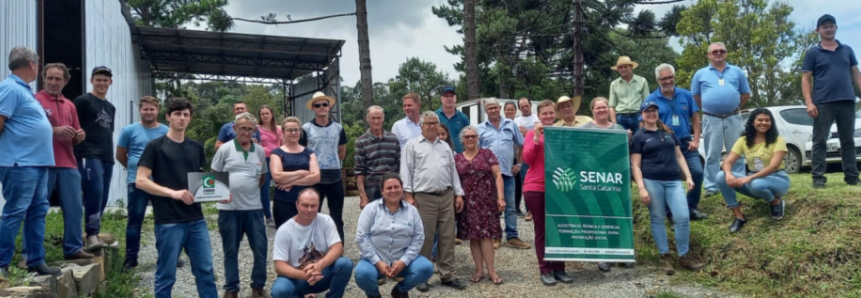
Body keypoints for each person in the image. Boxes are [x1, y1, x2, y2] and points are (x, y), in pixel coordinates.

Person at [135, 97, 221, 298]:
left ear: (189, 119)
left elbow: (197, 179)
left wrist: (219, 194)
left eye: (186, 115)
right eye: (177, 114)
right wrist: (171, 193)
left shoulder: (196, 147)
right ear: (168, 117)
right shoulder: (155, 146)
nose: (182, 118)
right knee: (166, 274)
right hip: (168, 220)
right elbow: (141, 180)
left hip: (196, 220)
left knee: (206, 272)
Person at [0, 46, 61, 277]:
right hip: (19, 164)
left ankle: (36, 260)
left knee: (37, 211)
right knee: (15, 211)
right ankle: (1, 264)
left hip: (37, 163)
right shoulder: (9, 89)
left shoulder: (25, 91)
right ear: (32, 64)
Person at [631, 101, 705, 276]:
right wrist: (641, 188)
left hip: (673, 181)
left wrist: (688, 176)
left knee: (683, 217)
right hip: (651, 180)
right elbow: (635, 165)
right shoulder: (639, 137)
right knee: (657, 218)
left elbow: (679, 156)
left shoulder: (669, 132)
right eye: (647, 111)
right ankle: (664, 256)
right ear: (642, 114)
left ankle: (683, 255)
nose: (651, 114)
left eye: (654, 111)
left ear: (658, 113)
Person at [401, 111, 467, 292]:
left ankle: (448, 275)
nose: (431, 126)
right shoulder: (412, 145)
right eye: (428, 123)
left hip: (446, 196)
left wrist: (458, 194)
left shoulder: (445, 147)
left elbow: (453, 172)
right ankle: (422, 276)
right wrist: (408, 195)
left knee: (447, 237)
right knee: (425, 238)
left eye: (434, 123)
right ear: (421, 126)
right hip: (424, 197)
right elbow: (406, 171)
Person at [34, 63, 91, 261]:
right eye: (49, 78)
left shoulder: (70, 105)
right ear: (43, 79)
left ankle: (73, 248)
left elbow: (75, 134)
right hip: (43, 163)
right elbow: (29, 132)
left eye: (58, 79)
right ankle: (30, 254)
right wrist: (54, 131)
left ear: (65, 81)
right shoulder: (35, 101)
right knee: (38, 209)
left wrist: (79, 136)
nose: (53, 82)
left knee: (74, 208)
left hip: (68, 162)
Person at [211, 112, 269, 298]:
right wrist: (221, 194)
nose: (246, 132)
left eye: (250, 129)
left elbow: (262, 177)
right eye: (242, 128)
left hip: (253, 208)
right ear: (235, 128)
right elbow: (214, 176)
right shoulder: (225, 149)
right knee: (230, 251)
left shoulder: (259, 151)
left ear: (254, 131)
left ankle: (258, 286)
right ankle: (231, 288)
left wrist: (246, 188)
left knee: (260, 248)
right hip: (229, 210)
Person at [802, 14, 861, 188]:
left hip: (847, 101)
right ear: (818, 30)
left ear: (836, 28)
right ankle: (818, 177)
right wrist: (809, 102)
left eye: (831, 26)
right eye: (825, 26)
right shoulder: (813, 53)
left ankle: (851, 176)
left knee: (848, 140)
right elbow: (806, 79)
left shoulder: (847, 50)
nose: (828, 29)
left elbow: (855, 73)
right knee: (820, 140)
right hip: (823, 102)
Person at [354, 174, 433, 298]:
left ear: (402, 189)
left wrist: (404, 261)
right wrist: (378, 262)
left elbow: (419, 237)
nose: (393, 191)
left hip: (402, 261)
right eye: (389, 188)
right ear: (382, 191)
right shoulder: (370, 209)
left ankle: (400, 290)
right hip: (374, 262)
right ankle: (373, 294)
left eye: (396, 187)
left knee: (426, 268)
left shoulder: (412, 211)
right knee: (362, 274)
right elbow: (361, 237)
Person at [645, 64, 705, 222]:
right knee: (666, 177)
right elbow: (643, 123)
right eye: (663, 78)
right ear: (658, 80)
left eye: (670, 77)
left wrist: (697, 140)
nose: (667, 81)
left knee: (697, 172)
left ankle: (691, 207)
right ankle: (670, 213)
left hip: (686, 143)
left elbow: (696, 118)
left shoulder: (686, 94)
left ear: (674, 77)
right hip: (663, 145)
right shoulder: (651, 99)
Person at [523, 100, 574, 286]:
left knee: (559, 228)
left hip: (559, 187)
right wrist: (536, 137)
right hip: (536, 188)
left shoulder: (562, 133)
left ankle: (559, 268)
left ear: (556, 114)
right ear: (539, 115)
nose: (548, 116)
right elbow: (528, 159)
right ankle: (545, 269)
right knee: (543, 230)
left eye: (551, 113)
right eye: (544, 114)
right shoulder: (532, 134)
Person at [692, 42, 751, 199]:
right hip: (711, 118)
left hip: (733, 117)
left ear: (726, 53)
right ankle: (711, 186)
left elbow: (745, 93)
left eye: (721, 51)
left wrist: (733, 106)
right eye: (715, 51)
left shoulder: (737, 71)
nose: (718, 53)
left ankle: (738, 182)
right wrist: (709, 108)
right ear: (709, 55)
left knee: (737, 152)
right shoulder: (700, 74)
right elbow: (696, 96)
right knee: (712, 154)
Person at [715, 108, 789, 233]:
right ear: (752, 122)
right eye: (760, 120)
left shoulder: (778, 140)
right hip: (754, 179)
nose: (764, 123)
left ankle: (775, 202)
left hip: (777, 179)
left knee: (755, 184)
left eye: (767, 120)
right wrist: (728, 174)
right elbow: (727, 162)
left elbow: (773, 166)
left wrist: (749, 178)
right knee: (720, 176)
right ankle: (739, 216)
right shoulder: (743, 141)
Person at [117, 95, 169, 269]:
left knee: (163, 220)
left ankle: (167, 256)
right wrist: (136, 170)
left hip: (160, 183)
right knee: (134, 220)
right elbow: (120, 155)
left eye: (151, 109)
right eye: (145, 109)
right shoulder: (129, 130)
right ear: (140, 110)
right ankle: (131, 258)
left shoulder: (165, 131)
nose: (148, 112)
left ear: (157, 111)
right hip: (137, 182)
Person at [270, 189, 354, 298]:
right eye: (305, 205)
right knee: (280, 290)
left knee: (345, 264)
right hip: (297, 277)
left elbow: (338, 248)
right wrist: (304, 275)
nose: (309, 210)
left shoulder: (326, 220)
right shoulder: (284, 230)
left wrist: (319, 265)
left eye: (313, 206)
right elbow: (279, 266)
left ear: (319, 205)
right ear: (297, 205)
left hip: (321, 274)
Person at [582, 97, 632, 272]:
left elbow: (623, 153)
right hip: (593, 179)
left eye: (604, 107)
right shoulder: (586, 128)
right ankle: (602, 256)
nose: (601, 110)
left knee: (617, 215)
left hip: (615, 179)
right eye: (598, 108)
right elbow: (574, 145)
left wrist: (628, 138)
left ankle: (621, 253)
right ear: (592, 111)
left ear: (609, 110)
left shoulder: (618, 129)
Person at [477, 98, 530, 250]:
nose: (493, 110)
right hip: (489, 176)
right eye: (490, 108)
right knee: (492, 207)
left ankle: (512, 236)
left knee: (511, 206)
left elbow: (521, 145)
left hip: (507, 173)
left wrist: (519, 164)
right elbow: (477, 152)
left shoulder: (510, 124)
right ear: (486, 110)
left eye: (495, 107)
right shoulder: (480, 128)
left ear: (499, 108)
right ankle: (496, 235)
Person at [74, 65, 117, 251]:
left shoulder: (110, 107)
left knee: (104, 196)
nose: (101, 83)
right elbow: (72, 124)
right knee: (94, 192)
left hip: (107, 155)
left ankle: (95, 232)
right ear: (92, 80)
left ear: (110, 82)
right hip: (88, 153)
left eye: (105, 80)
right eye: (98, 79)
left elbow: (108, 131)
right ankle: (91, 233)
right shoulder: (83, 101)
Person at [457, 126, 506, 285]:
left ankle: (491, 270)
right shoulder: (457, 158)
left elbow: (498, 175)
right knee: (474, 238)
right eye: (467, 137)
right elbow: (455, 181)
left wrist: (500, 197)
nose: (470, 139)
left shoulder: (487, 154)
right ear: (462, 140)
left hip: (486, 202)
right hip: (468, 204)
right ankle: (479, 270)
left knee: (486, 237)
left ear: (478, 138)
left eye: (473, 136)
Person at [300, 91, 348, 242]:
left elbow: (341, 152)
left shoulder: (338, 128)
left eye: (324, 104)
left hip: (334, 177)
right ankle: (311, 248)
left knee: (336, 217)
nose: (322, 107)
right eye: (318, 105)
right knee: (311, 215)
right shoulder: (305, 129)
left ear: (329, 107)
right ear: (313, 108)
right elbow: (301, 152)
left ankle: (338, 248)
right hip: (314, 178)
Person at [271, 117, 321, 228]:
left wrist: (291, 182)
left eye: (296, 130)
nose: (293, 133)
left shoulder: (309, 153)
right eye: (289, 130)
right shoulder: (277, 153)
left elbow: (316, 177)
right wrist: (301, 172)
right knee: (285, 235)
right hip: (284, 201)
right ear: (283, 132)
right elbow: (278, 176)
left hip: (307, 203)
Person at [355, 106, 400, 209]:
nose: (376, 121)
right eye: (373, 118)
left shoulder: (393, 138)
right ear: (367, 119)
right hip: (372, 187)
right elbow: (359, 172)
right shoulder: (361, 141)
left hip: (392, 185)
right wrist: (363, 196)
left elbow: (400, 165)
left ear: (383, 118)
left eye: (379, 118)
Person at [608, 56, 650, 132]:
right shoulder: (614, 84)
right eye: (620, 67)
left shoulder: (642, 81)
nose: (623, 69)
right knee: (622, 142)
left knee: (639, 141)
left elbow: (647, 103)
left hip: (638, 116)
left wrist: (644, 119)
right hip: (620, 117)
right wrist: (614, 124)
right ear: (618, 69)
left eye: (625, 66)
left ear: (631, 67)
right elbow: (611, 106)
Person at [514, 98, 538, 222]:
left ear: (531, 105)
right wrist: (533, 132)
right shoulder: (516, 120)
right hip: (524, 154)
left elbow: (539, 132)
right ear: (519, 108)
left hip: (538, 154)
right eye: (522, 106)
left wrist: (527, 132)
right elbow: (518, 135)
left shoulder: (536, 117)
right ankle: (529, 210)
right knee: (526, 183)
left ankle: (539, 210)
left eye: (526, 105)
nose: (524, 108)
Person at [257, 105, 281, 227]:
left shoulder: (278, 129)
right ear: (260, 116)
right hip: (264, 160)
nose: (265, 116)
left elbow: (283, 144)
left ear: (272, 114)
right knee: (264, 190)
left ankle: (281, 214)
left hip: (277, 159)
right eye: (263, 114)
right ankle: (268, 216)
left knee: (281, 187)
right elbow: (257, 145)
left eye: (267, 113)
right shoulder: (257, 129)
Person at [504, 102, 525, 217]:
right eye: (508, 110)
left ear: (515, 111)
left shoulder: (517, 124)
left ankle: (516, 207)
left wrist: (519, 163)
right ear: (504, 111)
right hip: (502, 160)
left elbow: (522, 143)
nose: (510, 112)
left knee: (517, 184)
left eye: (512, 110)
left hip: (514, 158)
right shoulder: (502, 123)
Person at [436, 86, 470, 153]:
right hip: (438, 155)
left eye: (451, 96)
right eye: (446, 96)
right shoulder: (435, 116)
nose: (449, 98)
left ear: (455, 98)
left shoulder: (463, 118)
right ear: (441, 99)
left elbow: (468, 137)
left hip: (459, 157)